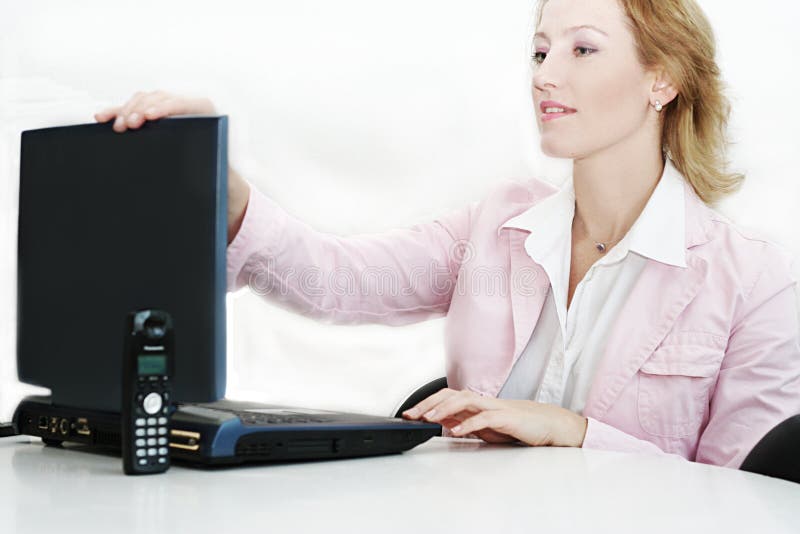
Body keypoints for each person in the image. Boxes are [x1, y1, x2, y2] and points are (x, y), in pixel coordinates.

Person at [95, 0, 800, 469]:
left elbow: (743, 497)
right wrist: (229, 192)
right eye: (540, 51)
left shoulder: (755, 281)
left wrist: (575, 431)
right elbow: (345, 282)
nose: (545, 75)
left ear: (662, 80)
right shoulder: (497, 224)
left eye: (582, 50)